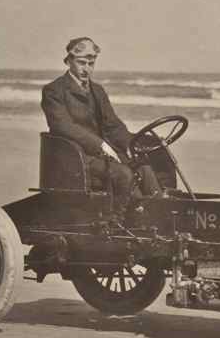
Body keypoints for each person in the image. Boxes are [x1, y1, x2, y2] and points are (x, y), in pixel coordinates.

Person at [41, 37, 161, 213]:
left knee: (143, 166)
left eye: (91, 64)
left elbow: (113, 125)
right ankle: (119, 219)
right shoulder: (54, 90)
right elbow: (63, 126)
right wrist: (100, 144)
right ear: (69, 61)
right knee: (123, 174)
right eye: (81, 63)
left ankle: (159, 211)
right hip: (76, 158)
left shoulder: (97, 90)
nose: (86, 69)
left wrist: (130, 145)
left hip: (102, 155)